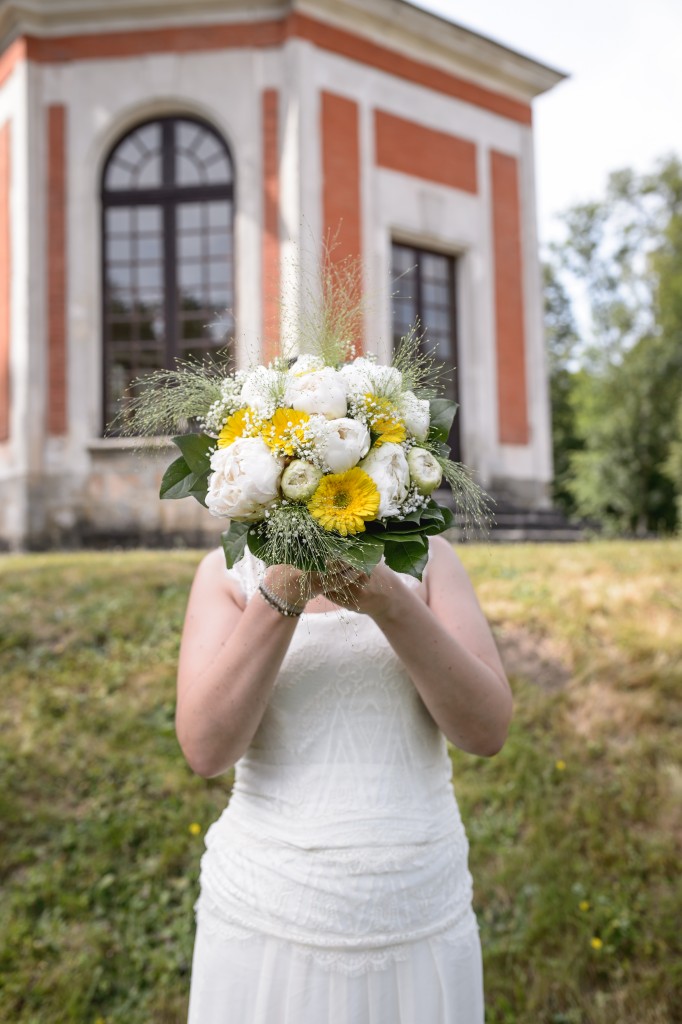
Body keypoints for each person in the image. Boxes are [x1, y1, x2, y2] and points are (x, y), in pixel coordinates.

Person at [178, 534, 512, 1024]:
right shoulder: (227, 571)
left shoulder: (429, 557)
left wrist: (391, 602)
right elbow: (206, 751)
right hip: (268, 916)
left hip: (418, 913)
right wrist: (281, 595)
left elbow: (486, 731)